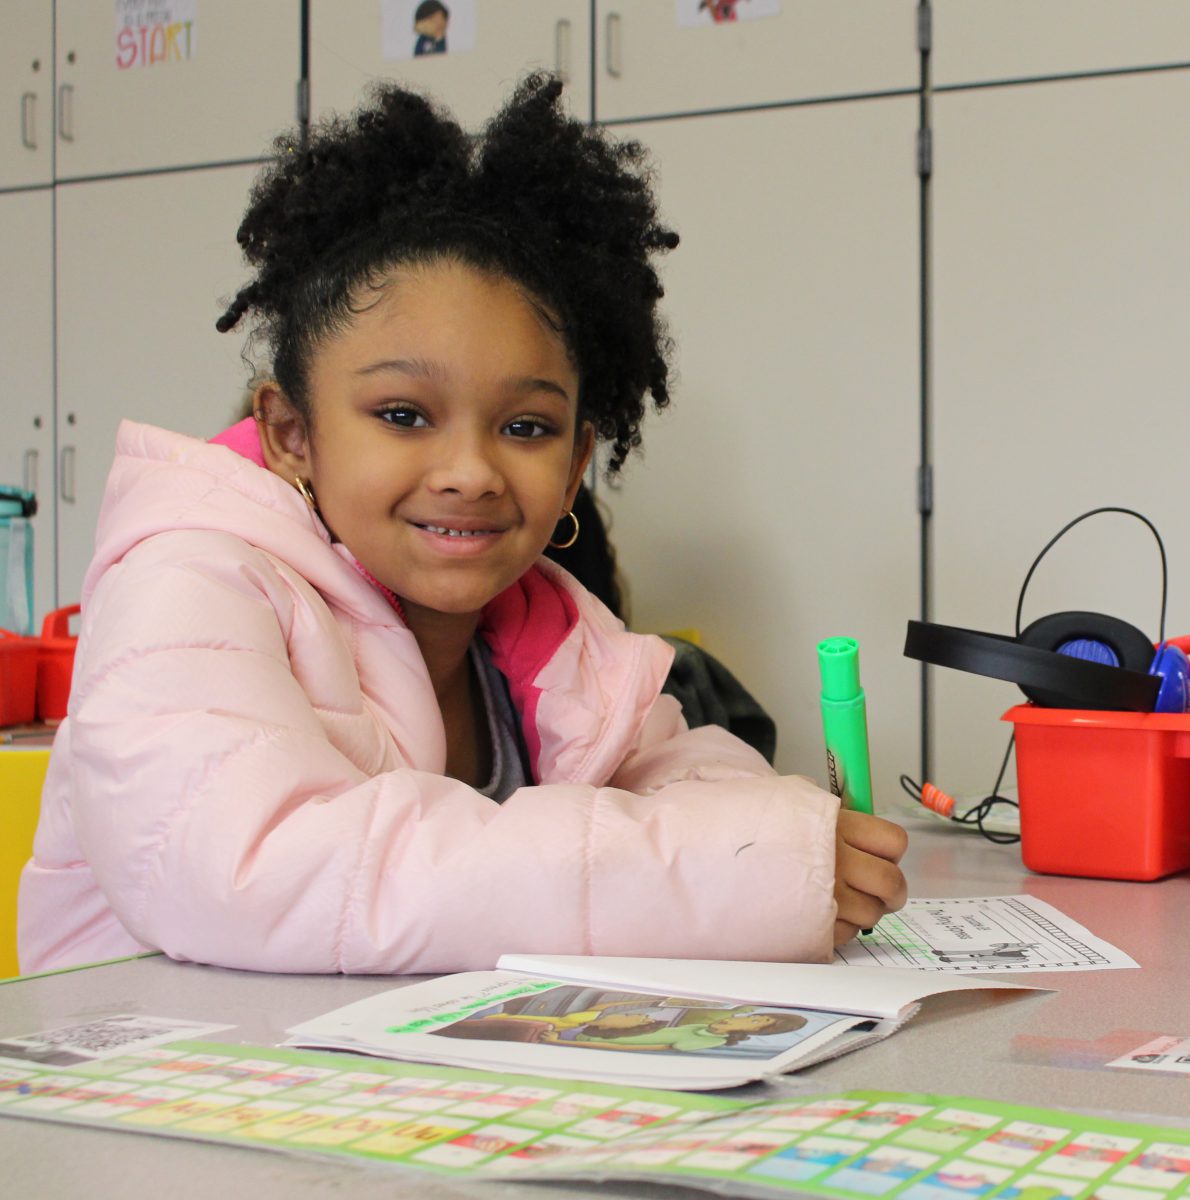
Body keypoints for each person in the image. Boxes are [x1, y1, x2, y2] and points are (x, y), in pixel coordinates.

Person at [16, 75, 907, 975]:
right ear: (292, 433)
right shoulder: (187, 583)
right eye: (403, 414)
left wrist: (784, 846)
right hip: (158, 1093)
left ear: (574, 467)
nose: (472, 473)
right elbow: (264, 869)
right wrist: (729, 874)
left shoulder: (550, 637)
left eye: (527, 428)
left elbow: (696, 784)